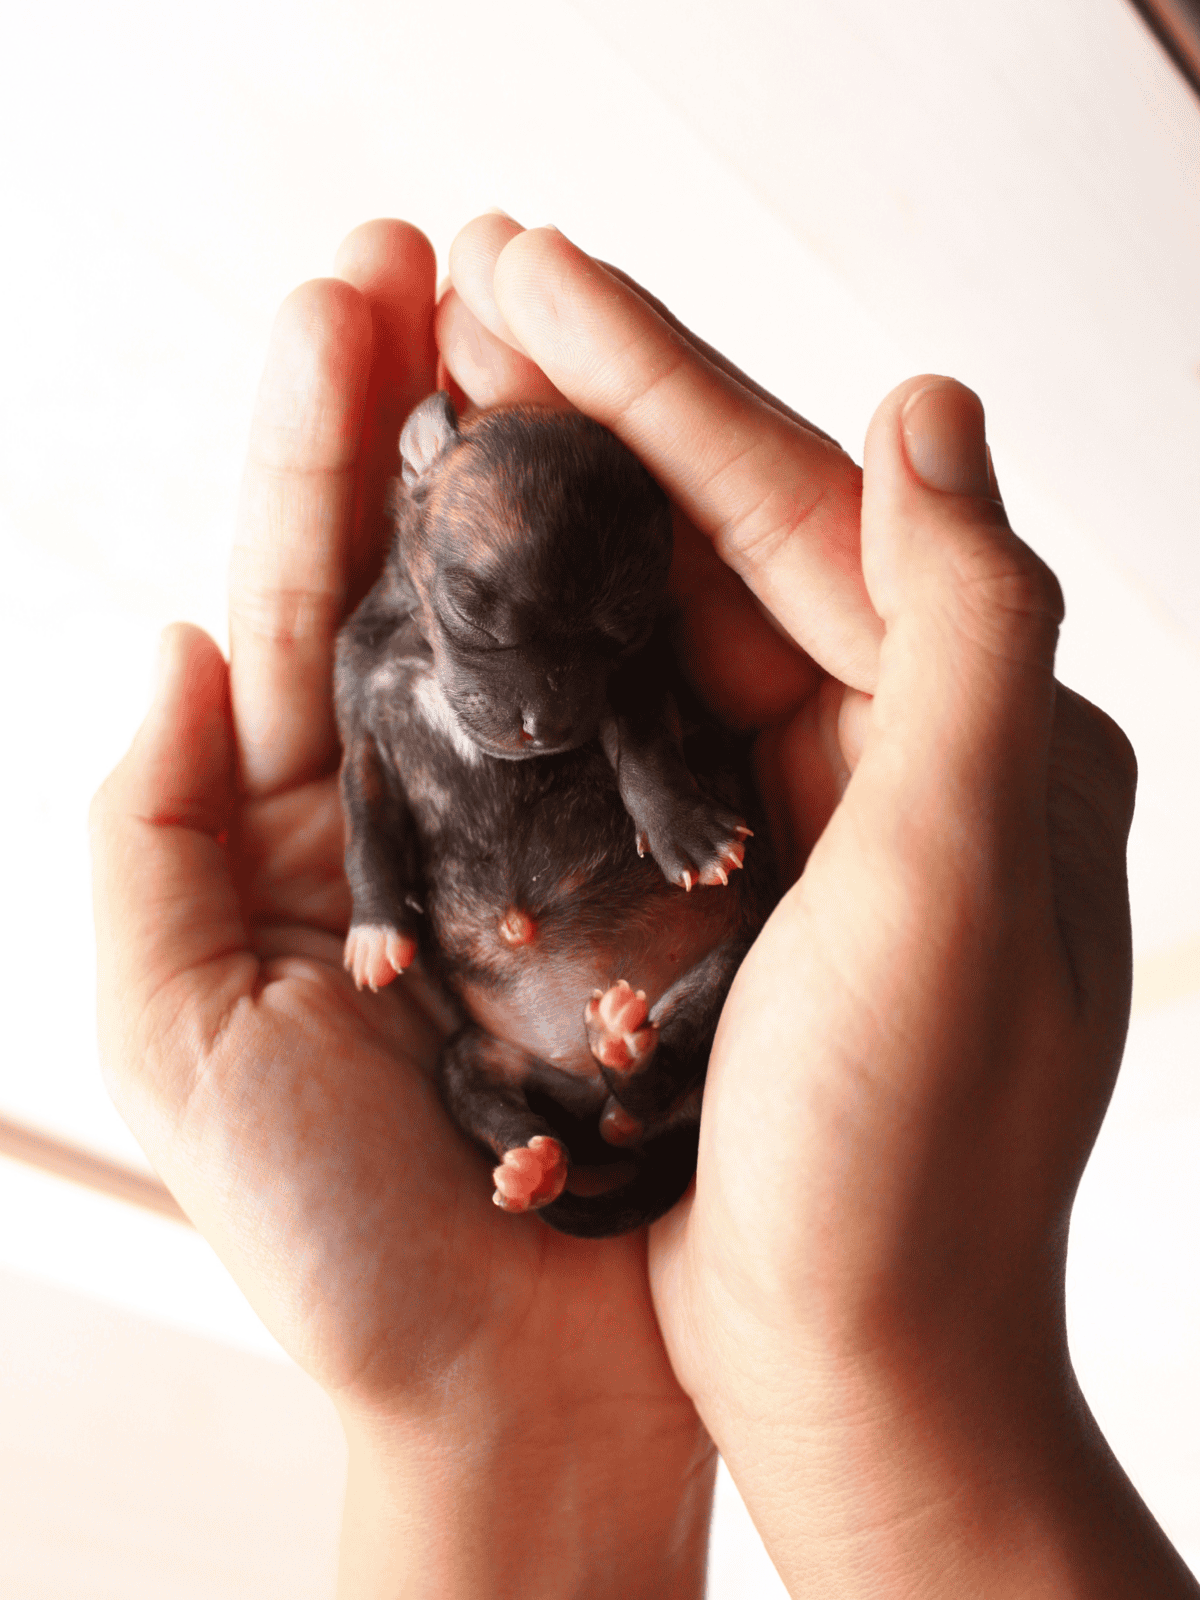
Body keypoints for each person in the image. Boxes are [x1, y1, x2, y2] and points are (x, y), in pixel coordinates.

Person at [89, 214, 1198, 1598]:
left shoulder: (600, 683)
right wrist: (378, 907)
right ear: (420, 474)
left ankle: (639, 1071)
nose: (543, 701)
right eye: (489, 607)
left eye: (596, 644)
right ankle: (571, 1122)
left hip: (648, 966)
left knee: (715, 966)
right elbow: (374, 781)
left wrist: (868, 1355)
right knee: (465, 1070)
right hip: (520, 1021)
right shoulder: (378, 666)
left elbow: (642, 729)